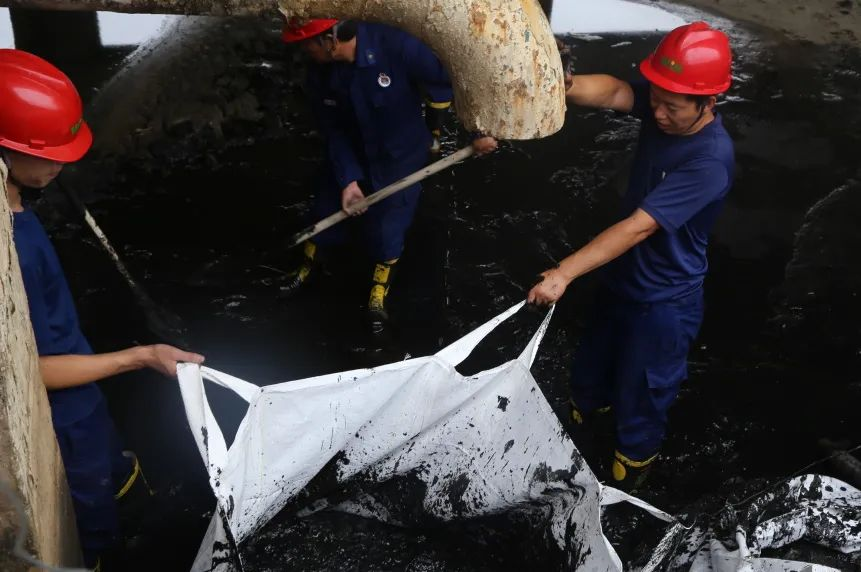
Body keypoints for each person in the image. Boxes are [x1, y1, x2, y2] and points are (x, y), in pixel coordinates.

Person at [0, 49, 205, 568]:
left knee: (116, 470)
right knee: (96, 523)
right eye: (48, 155)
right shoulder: (12, 250)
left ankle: (143, 516)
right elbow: (35, 371)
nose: (60, 164)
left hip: (85, 393)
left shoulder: (19, 203)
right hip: (66, 417)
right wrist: (140, 356)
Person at [527, 23, 735, 491]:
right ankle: (581, 429)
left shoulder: (710, 161)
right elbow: (617, 91)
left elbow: (638, 226)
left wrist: (563, 273)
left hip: (665, 301)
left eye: (671, 107)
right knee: (590, 371)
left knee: (643, 394)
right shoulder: (666, 104)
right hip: (621, 276)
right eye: (656, 99)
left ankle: (629, 476)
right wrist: (564, 84)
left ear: (708, 102)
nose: (657, 112)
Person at [280, 19, 497, 329]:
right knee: (325, 207)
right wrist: (348, 180)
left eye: (307, 43)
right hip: (352, 152)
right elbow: (332, 130)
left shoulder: (399, 46)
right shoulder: (319, 72)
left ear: (331, 39)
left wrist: (479, 129)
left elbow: (452, 79)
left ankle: (379, 289)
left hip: (400, 156)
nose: (304, 50)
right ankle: (308, 265)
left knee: (388, 226)